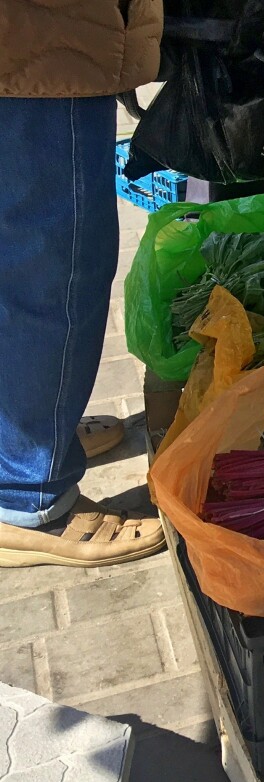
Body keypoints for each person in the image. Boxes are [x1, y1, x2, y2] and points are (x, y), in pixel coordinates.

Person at [0, 0, 167, 567]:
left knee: (24, 256)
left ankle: (28, 441)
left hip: (41, 37)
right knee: (53, 267)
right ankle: (27, 497)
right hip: (40, 39)